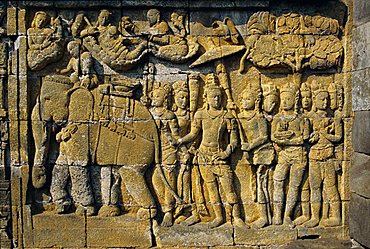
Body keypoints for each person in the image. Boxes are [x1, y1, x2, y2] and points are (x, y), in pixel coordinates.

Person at [177, 73, 244, 228]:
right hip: (203, 156)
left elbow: (234, 141)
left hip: (219, 156)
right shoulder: (200, 114)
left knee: (229, 189)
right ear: (206, 98)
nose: (217, 100)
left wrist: (226, 153)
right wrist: (180, 141)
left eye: (219, 97)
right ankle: (219, 217)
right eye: (214, 97)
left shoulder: (227, 116)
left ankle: (237, 217)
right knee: (211, 188)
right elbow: (194, 134)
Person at [271, 83, 309, 225]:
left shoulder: (301, 119)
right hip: (283, 155)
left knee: (294, 186)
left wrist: (288, 140)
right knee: (278, 182)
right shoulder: (277, 118)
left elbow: (303, 139)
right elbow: (273, 136)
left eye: (288, 99)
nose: (285, 102)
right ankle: (277, 215)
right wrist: (283, 137)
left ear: (295, 100)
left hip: (298, 156)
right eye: (283, 99)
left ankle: (287, 215)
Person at [238, 84, 275, 229]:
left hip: (263, 153)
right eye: (243, 99)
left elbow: (264, 137)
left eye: (249, 99)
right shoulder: (240, 117)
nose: (245, 101)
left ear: (256, 101)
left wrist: (250, 146)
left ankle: (265, 217)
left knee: (262, 186)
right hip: (250, 156)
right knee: (252, 186)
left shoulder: (259, 117)